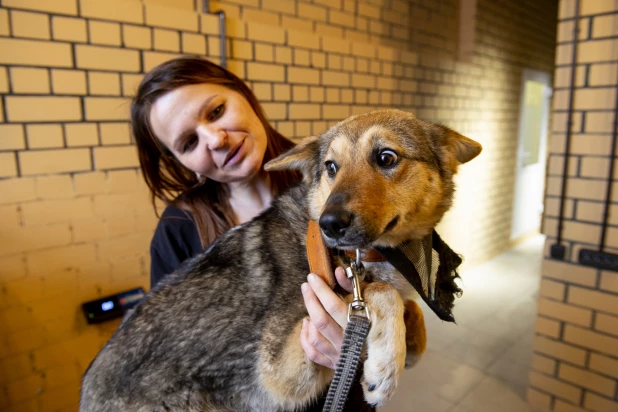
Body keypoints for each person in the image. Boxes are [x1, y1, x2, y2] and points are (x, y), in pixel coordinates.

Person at [131, 56, 374, 412]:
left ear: (243, 94)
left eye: (215, 112)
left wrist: (364, 350)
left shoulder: (336, 182)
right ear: (178, 161)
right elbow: (173, 361)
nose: (215, 139)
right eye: (188, 142)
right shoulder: (177, 232)